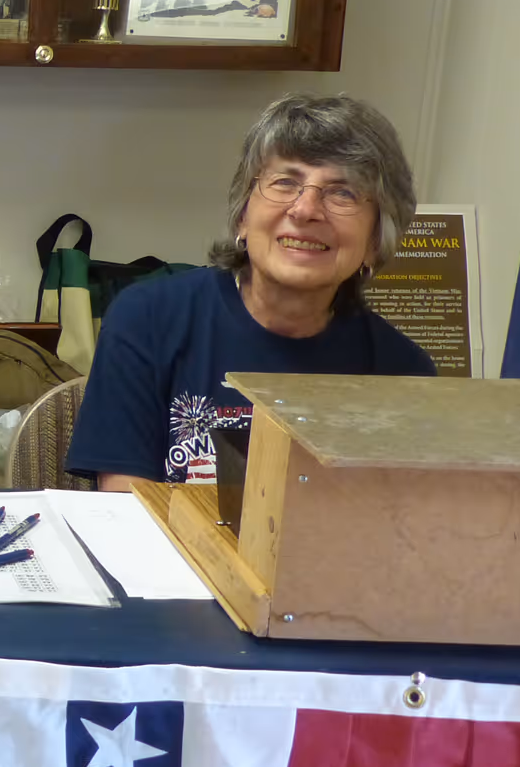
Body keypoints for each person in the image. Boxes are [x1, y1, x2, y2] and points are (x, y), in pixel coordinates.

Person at [65, 94, 435, 488]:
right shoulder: (148, 319)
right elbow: (125, 508)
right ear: (243, 215)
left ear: (376, 240)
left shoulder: (403, 373)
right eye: (285, 182)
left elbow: (395, 530)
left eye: (342, 192)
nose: (305, 209)